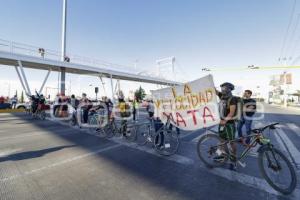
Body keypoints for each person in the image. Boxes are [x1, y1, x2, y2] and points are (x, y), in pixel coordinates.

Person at [215, 82, 238, 169]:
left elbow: (231, 113)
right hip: (221, 123)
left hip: (229, 125)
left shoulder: (232, 99)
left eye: (224, 88)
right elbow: (215, 91)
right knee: (221, 140)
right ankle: (222, 156)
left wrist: (225, 120)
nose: (222, 90)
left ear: (229, 89)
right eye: (221, 88)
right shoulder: (222, 96)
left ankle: (233, 160)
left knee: (231, 142)